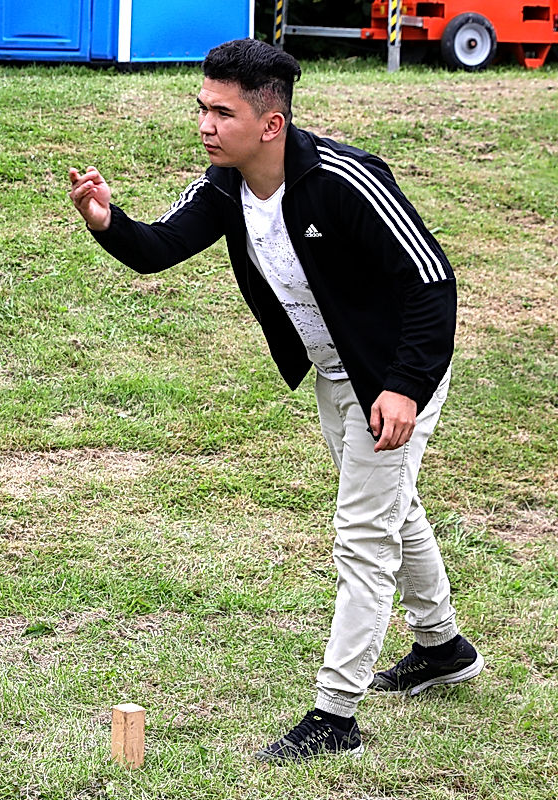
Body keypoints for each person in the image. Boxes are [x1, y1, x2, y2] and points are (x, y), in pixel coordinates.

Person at [69, 38, 483, 762]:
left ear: (271, 123)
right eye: (201, 107)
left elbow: (432, 283)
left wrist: (405, 388)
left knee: (362, 536)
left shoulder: (344, 180)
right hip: (336, 374)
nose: (204, 124)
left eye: (220, 112)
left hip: (396, 374)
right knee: (393, 507)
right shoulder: (224, 186)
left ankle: (335, 716)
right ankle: (443, 645)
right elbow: (161, 246)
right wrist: (108, 222)